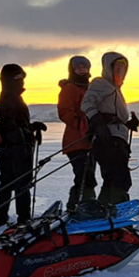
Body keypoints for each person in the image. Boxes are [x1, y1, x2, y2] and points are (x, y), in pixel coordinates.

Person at [82, 52, 139, 206]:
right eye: (117, 65)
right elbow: (87, 103)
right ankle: (116, 211)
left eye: (123, 66)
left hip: (116, 137)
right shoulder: (101, 83)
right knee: (120, 179)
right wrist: (98, 123)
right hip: (108, 139)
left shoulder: (115, 88)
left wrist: (128, 123)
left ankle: (102, 210)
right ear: (108, 67)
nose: (120, 69)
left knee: (112, 179)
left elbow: (111, 113)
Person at [0, 64, 46, 226]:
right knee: (21, 183)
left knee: (7, 182)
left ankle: (1, 218)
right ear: (8, 79)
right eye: (17, 77)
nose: (21, 81)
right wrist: (21, 141)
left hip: (11, 147)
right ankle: (23, 218)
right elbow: (9, 124)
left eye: (22, 77)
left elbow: (17, 124)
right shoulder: (9, 97)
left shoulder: (12, 96)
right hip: (15, 148)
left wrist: (32, 127)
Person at [57, 56, 97, 211]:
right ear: (72, 70)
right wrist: (81, 125)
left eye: (84, 67)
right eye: (78, 67)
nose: (81, 70)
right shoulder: (70, 88)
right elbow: (64, 112)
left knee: (88, 175)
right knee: (84, 176)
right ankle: (77, 207)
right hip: (76, 140)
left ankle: (84, 205)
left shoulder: (91, 88)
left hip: (91, 139)